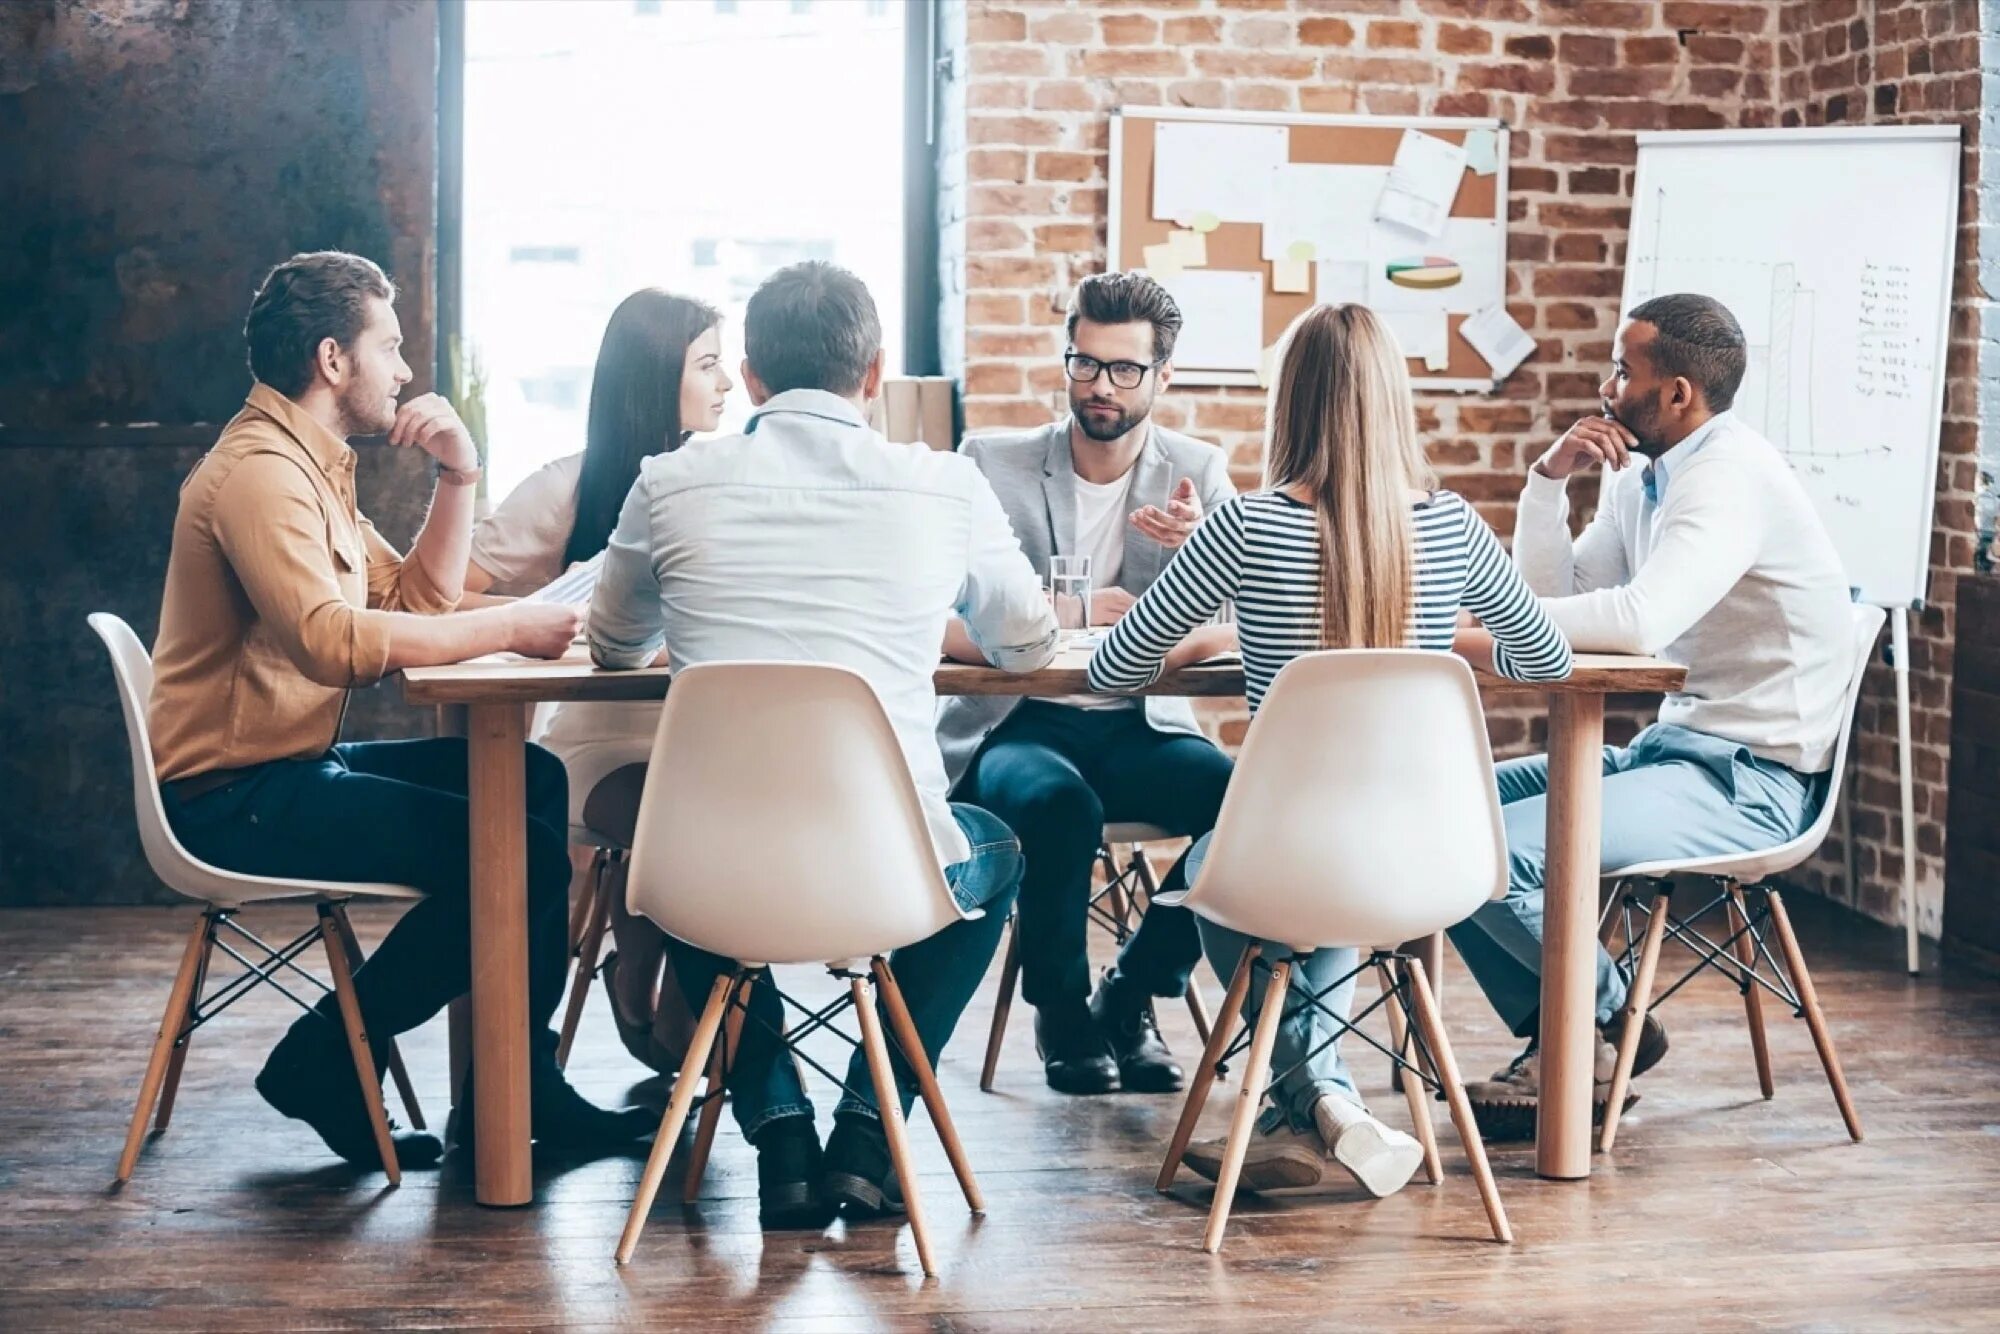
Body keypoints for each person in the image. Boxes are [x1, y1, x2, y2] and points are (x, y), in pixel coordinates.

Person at [147, 251, 651, 1170]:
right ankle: (328, 1056)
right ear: (334, 359)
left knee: (531, 781)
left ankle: (520, 1086)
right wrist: (508, 623)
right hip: (230, 796)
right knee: (523, 855)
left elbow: (413, 601)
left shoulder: (312, 465)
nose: (408, 371)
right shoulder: (261, 475)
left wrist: (461, 475)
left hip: (288, 769)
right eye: (392, 346)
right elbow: (333, 642)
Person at [588, 260, 1056, 1228]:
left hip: (711, 877)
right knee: (996, 849)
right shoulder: (943, 483)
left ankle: (778, 1129)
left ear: (752, 377)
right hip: (892, 875)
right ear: (875, 371)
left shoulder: (668, 481)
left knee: (670, 852)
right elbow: (1025, 641)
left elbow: (613, 641)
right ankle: (864, 1134)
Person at [1088, 302, 1573, 1197]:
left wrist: (1211, 591)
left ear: (1292, 403)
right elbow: (1545, 655)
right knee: (1337, 883)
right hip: (1425, 857)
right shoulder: (1453, 527)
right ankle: (1319, 1103)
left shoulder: (1245, 528)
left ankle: (1305, 1102)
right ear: (1393, 403)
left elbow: (1116, 668)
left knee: (1216, 869)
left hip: (1287, 853)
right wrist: (1431, 644)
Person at [1449, 292, 1856, 1136]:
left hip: (1755, 781)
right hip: (1671, 753)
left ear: (1676, 393)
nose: (1606, 388)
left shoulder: (1728, 476)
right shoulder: (1648, 475)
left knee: (1489, 854)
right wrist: (1545, 482)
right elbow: (1559, 598)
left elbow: (1637, 624)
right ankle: (1590, 1032)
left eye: (1622, 371)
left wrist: (1474, 639)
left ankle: (1599, 1024)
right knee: (1441, 816)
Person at [938, 272, 1236, 1096]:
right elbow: (938, 608)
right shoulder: (989, 463)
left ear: (1163, 377)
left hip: (1141, 723)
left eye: (1125, 369)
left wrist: (1200, 556)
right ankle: (1060, 1010)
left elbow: (1249, 613)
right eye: (1085, 363)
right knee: (1058, 805)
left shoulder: (1199, 472)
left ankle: (1134, 990)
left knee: (1251, 804)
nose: (1100, 386)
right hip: (1019, 721)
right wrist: (1070, 609)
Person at [464, 288, 731, 1073]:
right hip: (596, 748)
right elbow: (447, 595)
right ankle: (665, 996)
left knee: (719, 813)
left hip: (706, 743)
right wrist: (551, 619)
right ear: (655, 379)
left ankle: (662, 993)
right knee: (678, 822)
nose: (726, 385)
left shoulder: (725, 485)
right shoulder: (564, 487)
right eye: (708, 365)